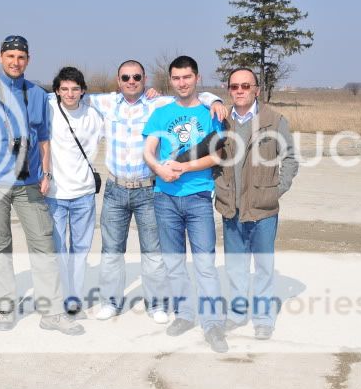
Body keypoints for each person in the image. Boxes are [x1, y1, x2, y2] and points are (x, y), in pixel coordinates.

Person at [86, 60, 226, 323]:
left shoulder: (157, 104)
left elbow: (195, 94)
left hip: (148, 189)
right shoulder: (106, 103)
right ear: (118, 80)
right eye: (125, 77)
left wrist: (216, 98)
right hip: (116, 188)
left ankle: (157, 304)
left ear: (144, 78)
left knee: (153, 252)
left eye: (136, 77)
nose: (131, 81)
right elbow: (66, 93)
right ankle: (110, 301)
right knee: (111, 250)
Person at [0, 35, 83, 335]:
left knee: (43, 244)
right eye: (10, 56)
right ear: (1, 57)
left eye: (21, 57)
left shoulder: (38, 94)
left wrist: (46, 172)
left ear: (28, 60)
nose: (16, 62)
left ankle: (52, 313)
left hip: (29, 182)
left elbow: (43, 136)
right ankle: (5, 308)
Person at [142, 55, 229, 353]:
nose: (182, 83)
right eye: (177, 78)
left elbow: (218, 155)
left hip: (198, 197)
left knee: (205, 264)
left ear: (197, 78)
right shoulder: (161, 114)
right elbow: (149, 149)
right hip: (165, 198)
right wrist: (158, 168)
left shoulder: (211, 114)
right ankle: (184, 315)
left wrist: (184, 168)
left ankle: (213, 324)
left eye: (187, 77)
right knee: (174, 263)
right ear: (171, 81)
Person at [214, 68, 299, 340]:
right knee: (236, 267)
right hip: (231, 207)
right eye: (234, 86)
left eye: (245, 86)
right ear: (229, 90)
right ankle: (238, 314)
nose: (240, 90)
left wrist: (275, 191)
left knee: (263, 267)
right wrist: (220, 187)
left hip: (263, 209)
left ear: (257, 90)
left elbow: (290, 159)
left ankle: (263, 319)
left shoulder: (274, 121)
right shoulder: (221, 121)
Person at [45, 66, 103, 316]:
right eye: (64, 89)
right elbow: (17, 91)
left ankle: (74, 297)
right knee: (58, 250)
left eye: (75, 89)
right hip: (55, 193)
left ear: (83, 91)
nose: (70, 94)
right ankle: (59, 294)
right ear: (56, 90)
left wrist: (213, 97)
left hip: (84, 193)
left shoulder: (94, 114)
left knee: (80, 250)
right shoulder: (47, 106)